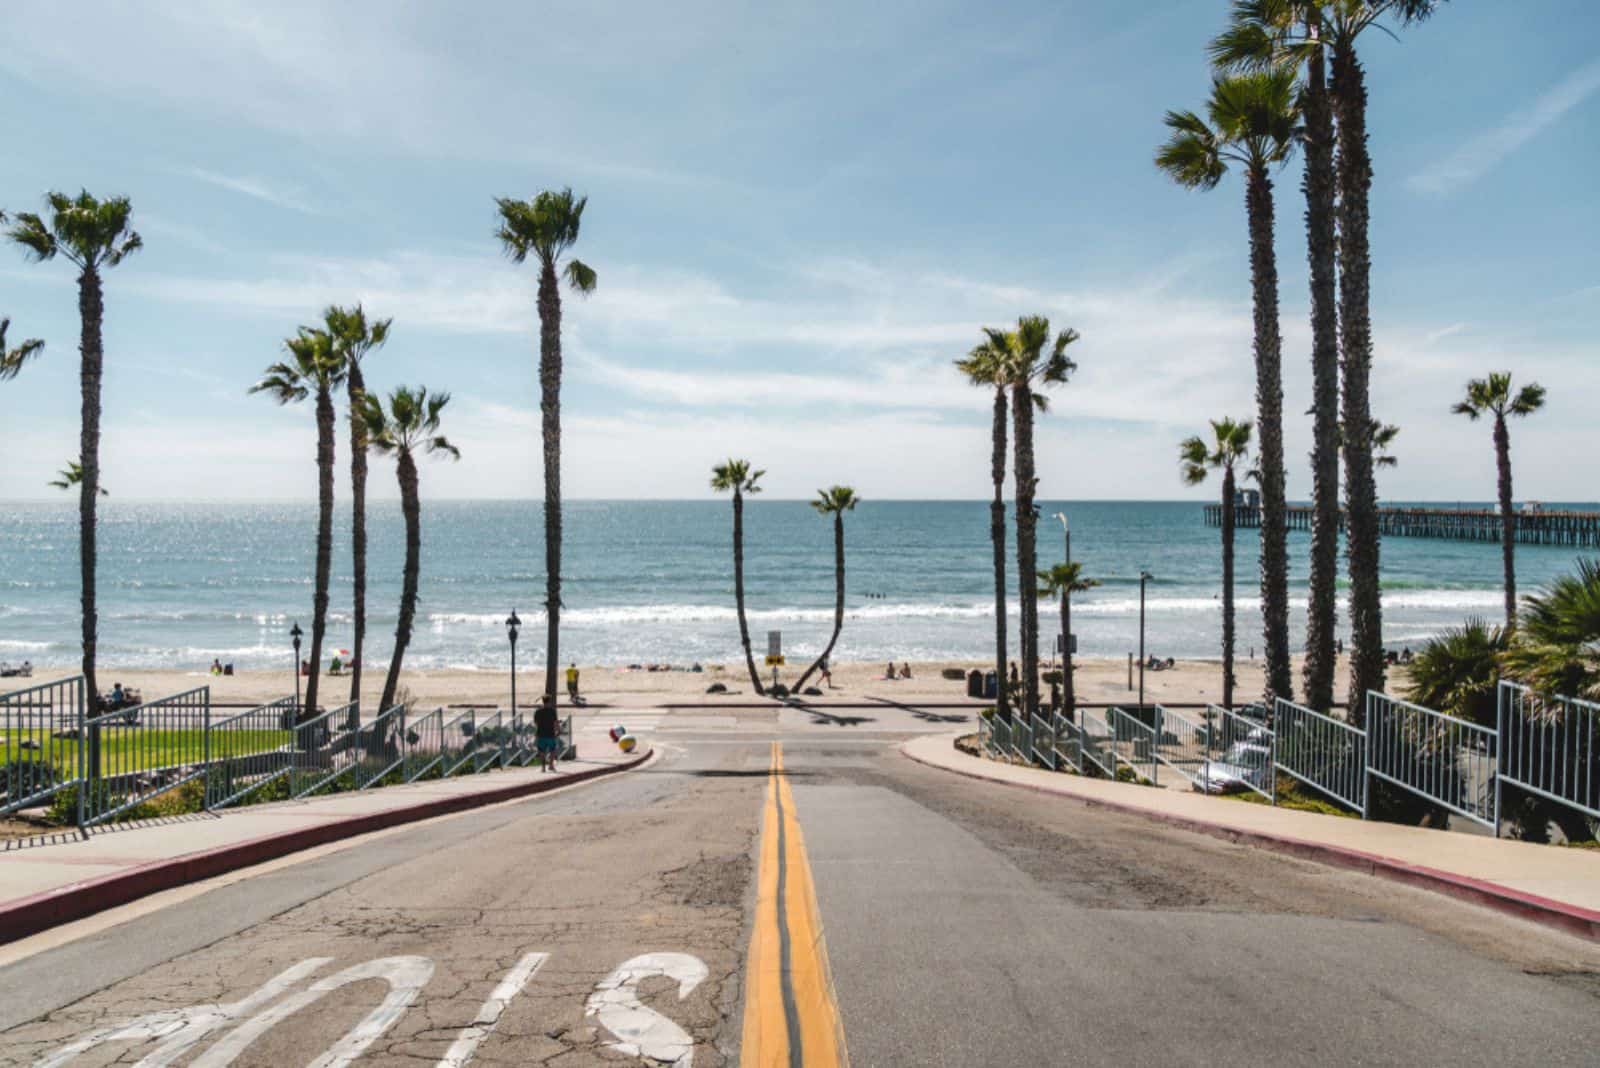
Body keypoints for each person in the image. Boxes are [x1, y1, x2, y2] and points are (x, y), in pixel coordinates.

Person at [534, 697, 561, 773]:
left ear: (543, 702)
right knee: (552, 750)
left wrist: (536, 732)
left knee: (541, 750)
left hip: (541, 733)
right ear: (549, 702)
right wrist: (558, 730)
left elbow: (536, 723)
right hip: (550, 734)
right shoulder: (552, 711)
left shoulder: (538, 711)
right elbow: (555, 722)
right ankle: (551, 765)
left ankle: (543, 767)